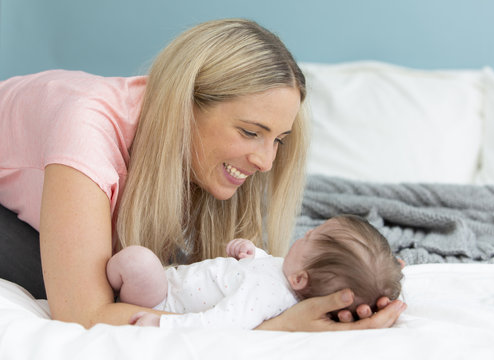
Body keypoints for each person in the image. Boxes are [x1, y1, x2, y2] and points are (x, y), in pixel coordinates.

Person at [0, 18, 406, 330]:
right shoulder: (85, 129)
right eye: (250, 133)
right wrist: (273, 328)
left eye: (278, 140)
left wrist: (364, 268)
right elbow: (85, 316)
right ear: (185, 106)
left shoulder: (205, 161)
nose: (266, 162)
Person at [106, 215, 404, 330]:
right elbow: (265, 266)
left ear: (300, 279)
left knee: (138, 262)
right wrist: (249, 252)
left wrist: (162, 324)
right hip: (169, 283)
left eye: (311, 237)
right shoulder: (286, 274)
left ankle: (107, 294)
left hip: (162, 300)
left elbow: (223, 322)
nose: (307, 232)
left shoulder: (267, 295)